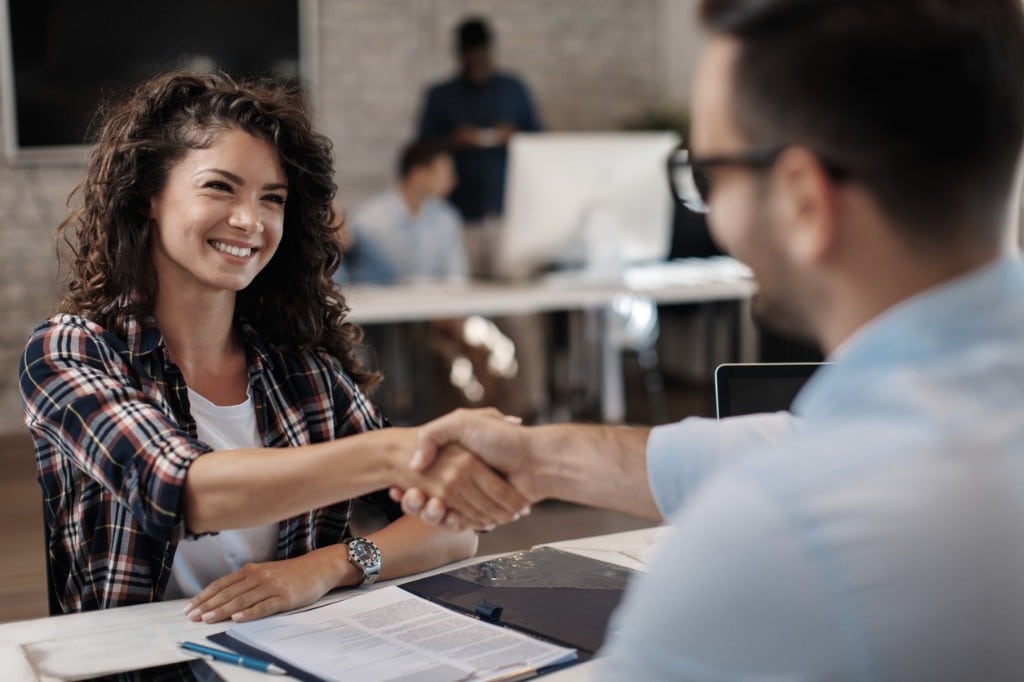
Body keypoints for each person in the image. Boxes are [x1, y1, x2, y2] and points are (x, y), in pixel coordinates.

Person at [397, 0, 1024, 678]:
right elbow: (779, 442)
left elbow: (790, 478)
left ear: (803, 201)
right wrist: (536, 459)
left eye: (710, 176)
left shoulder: (777, 536)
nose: (710, 210)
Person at [18, 71, 530, 621]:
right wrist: (398, 454)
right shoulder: (69, 350)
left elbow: (453, 532)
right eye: (220, 186)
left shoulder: (304, 371)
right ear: (149, 196)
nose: (250, 220)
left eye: (272, 198)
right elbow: (183, 492)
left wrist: (329, 566)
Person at [417, 16, 542, 274]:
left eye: (480, 55)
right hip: (458, 213)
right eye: (469, 55)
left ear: (489, 51)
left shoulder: (512, 89)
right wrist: (454, 140)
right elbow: (421, 149)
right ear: (460, 54)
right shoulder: (442, 95)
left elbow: (541, 139)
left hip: (508, 211)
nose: (475, 62)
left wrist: (515, 136)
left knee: (516, 300)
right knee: (463, 295)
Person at [339, 139, 468, 285]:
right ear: (418, 174)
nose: (452, 180)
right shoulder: (369, 220)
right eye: (446, 172)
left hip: (437, 305)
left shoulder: (447, 218)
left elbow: (457, 278)